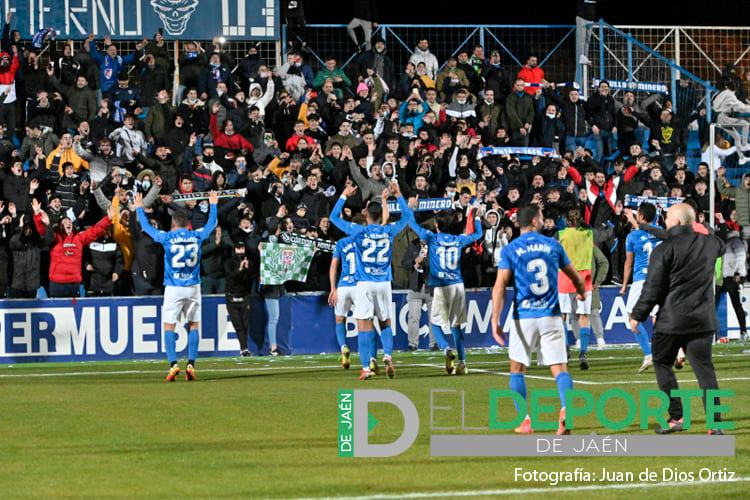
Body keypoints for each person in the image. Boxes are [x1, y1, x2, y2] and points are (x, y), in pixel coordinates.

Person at [630, 203, 726, 435]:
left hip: (671, 321)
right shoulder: (709, 244)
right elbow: (721, 245)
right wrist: (704, 229)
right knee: (705, 370)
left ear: (675, 222)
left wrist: (637, 315)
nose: (664, 221)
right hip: (702, 320)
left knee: (662, 362)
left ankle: (676, 417)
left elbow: (652, 289)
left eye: (667, 218)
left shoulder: (664, 249)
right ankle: (715, 423)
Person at [491, 205, 586, 435]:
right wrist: (581, 290)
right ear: (534, 221)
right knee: (560, 368)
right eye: (541, 217)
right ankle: (565, 410)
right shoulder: (553, 245)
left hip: (524, 317)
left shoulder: (511, 249)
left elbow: (500, 286)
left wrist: (495, 320)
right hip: (551, 315)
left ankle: (524, 420)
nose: (544, 220)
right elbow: (574, 275)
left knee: (517, 368)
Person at [135, 190, 219, 382]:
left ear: (173, 225)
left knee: (169, 326)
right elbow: (211, 225)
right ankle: (191, 363)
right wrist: (213, 205)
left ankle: (173, 364)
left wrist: (140, 209)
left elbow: (147, 228)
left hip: (173, 287)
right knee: (194, 325)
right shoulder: (196, 236)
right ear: (187, 225)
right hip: (193, 286)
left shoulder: (166, 237)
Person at [329, 181, 409, 380]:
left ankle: (366, 368)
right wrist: (397, 195)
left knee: (364, 325)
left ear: (366, 215)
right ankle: (388, 355)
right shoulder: (388, 230)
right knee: (385, 323)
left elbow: (333, 217)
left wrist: (344, 195)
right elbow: (407, 216)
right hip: (384, 282)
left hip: (364, 284)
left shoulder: (358, 231)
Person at [402, 202, 484, 374]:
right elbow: (478, 233)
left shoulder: (431, 238)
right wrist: (476, 216)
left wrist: (410, 207)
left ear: (437, 225)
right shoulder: (459, 240)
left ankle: (447, 350)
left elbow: (411, 222)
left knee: (436, 324)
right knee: (456, 327)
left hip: (440, 286)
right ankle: (462, 362)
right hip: (457, 286)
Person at [621, 204, 662, 373]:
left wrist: (624, 286)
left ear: (642, 216)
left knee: (633, 320)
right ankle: (670, 352)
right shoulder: (660, 231)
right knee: (658, 319)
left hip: (641, 281)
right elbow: (647, 232)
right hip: (660, 279)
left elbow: (628, 264)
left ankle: (648, 354)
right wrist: (632, 219)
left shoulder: (632, 237)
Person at [557, 208, 594, 370]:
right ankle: (583, 352)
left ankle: (565, 347)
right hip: (584, 278)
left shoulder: (562, 234)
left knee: (562, 316)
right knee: (584, 316)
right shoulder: (588, 233)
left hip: (565, 277)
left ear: (567, 221)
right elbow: (605, 233)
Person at [224, 241, 256, 357]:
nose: (240, 251)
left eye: (242, 249)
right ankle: (244, 349)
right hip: (231, 297)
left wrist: (247, 269)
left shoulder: (249, 263)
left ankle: (244, 349)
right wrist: (240, 269)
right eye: (238, 249)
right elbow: (230, 278)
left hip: (244, 297)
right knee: (238, 325)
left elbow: (250, 279)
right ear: (234, 250)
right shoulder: (229, 262)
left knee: (245, 324)